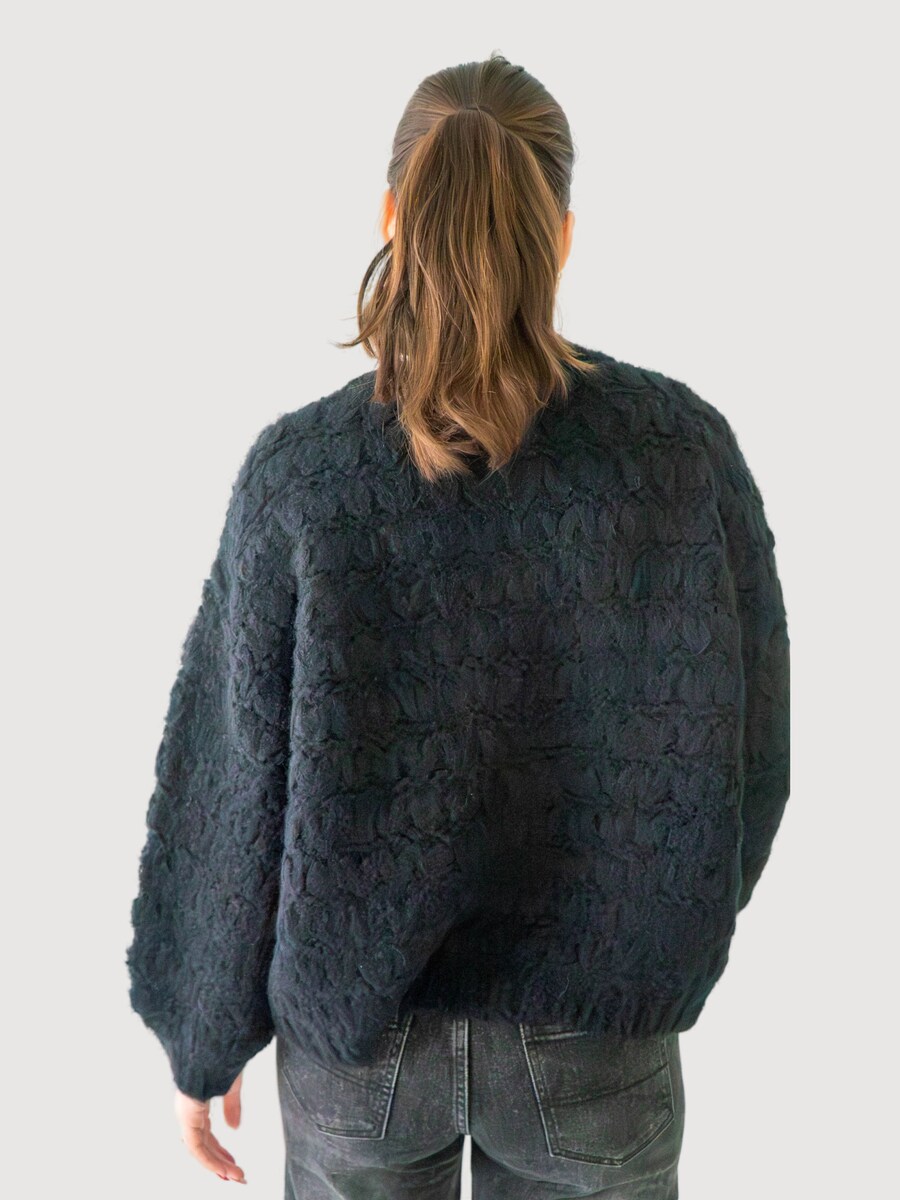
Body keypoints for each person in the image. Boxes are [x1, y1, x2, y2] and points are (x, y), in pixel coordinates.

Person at [126, 53, 790, 1198]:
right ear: (559, 237)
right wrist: (647, 933)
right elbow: (755, 759)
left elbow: (233, 790)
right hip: (599, 1044)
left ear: (393, 217)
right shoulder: (680, 457)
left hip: (360, 1045)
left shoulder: (303, 478)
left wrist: (204, 1035)